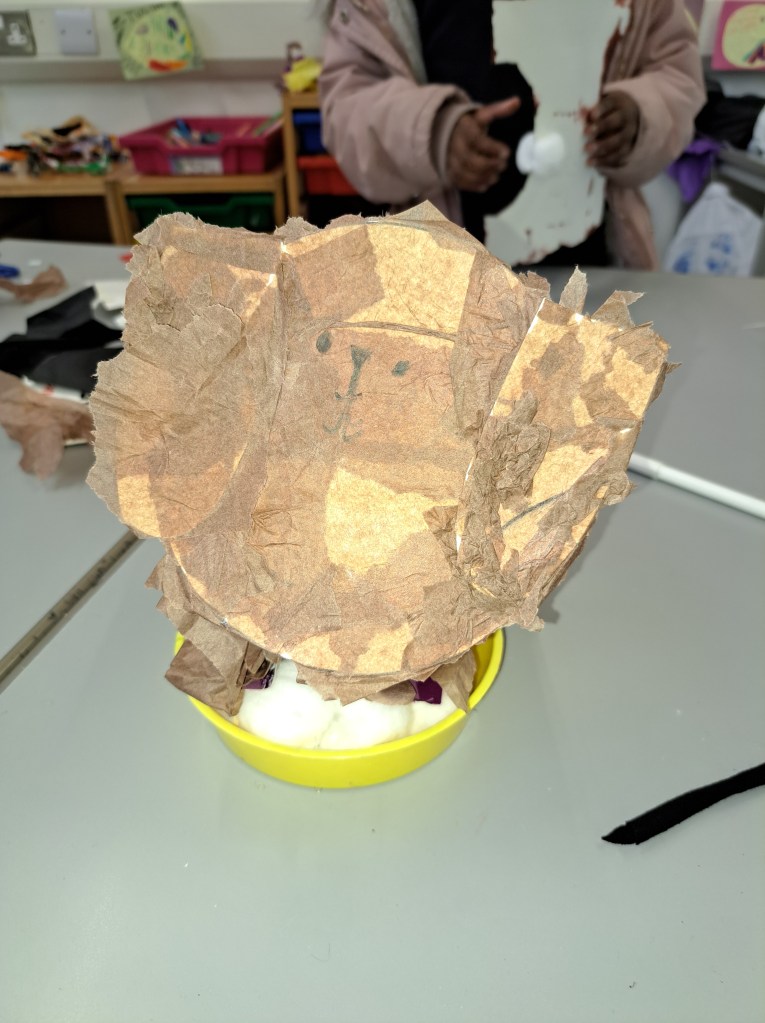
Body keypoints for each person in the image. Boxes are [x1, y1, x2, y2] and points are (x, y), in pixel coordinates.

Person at [318, 0, 705, 269]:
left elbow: (674, 69)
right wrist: (431, 131)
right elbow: (346, 106)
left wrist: (640, 114)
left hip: (596, 265)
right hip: (444, 277)